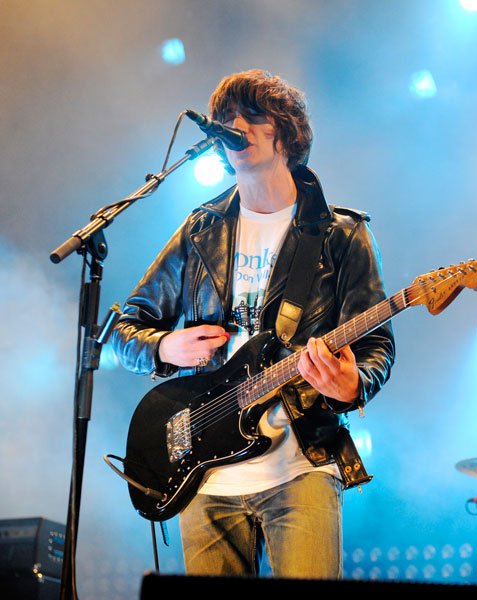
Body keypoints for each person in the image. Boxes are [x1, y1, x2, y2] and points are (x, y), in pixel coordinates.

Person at [112, 69, 395, 578]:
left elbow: (376, 347)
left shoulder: (340, 235)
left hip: (300, 466)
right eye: (224, 119)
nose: (233, 125)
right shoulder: (202, 229)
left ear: (284, 132)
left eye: (250, 116)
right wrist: (165, 348)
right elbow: (122, 331)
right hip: (204, 476)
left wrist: (351, 385)